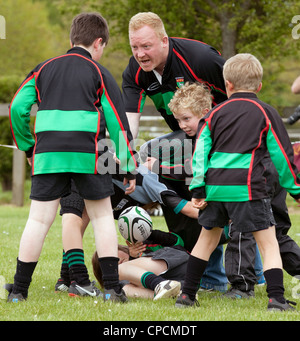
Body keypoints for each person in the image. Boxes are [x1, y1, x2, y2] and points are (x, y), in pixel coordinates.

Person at [7, 12, 137, 303]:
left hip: (48, 155)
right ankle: (113, 290)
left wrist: (29, 147)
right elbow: (117, 122)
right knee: (102, 216)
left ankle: (18, 290)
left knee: (39, 221)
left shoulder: (43, 68)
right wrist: (129, 166)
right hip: (87, 155)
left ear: (71, 39)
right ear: (99, 43)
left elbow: (17, 108)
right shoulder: (99, 72)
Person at [175, 53, 300, 311]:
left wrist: (198, 188)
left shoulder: (214, 113)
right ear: (259, 86)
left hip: (216, 188)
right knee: (268, 243)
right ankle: (276, 299)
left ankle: (187, 296)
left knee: (206, 242)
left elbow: (201, 153)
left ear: (228, 84)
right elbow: (282, 156)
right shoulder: (266, 112)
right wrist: (296, 190)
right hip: (248, 188)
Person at [56, 159, 227, 295]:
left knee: (74, 221)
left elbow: (188, 210)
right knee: (75, 221)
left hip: (177, 263)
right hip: (86, 167)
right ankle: (67, 279)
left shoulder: (151, 183)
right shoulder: (134, 187)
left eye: (113, 259)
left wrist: (226, 215)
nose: (114, 260)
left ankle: (70, 279)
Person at [122, 11, 227, 139]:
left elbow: (242, 96)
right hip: (187, 136)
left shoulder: (201, 58)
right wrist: (123, 150)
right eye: (134, 47)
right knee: (149, 151)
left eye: (146, 46)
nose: (140, 54)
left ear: (164, 41)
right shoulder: (134, 71)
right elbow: (130, 117)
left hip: (224, 133)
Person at [92, 229, 189, 300]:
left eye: (113, 256)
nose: (114, 262)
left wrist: (134, 257)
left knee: (121, 269)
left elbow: (176, 241)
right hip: (185, 283)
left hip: (180, 262)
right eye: (107, 265)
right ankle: (171, 295)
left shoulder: (141, 245)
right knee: (122, 289)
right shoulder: (122, 283)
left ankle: (159, 284)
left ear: (120, 248)